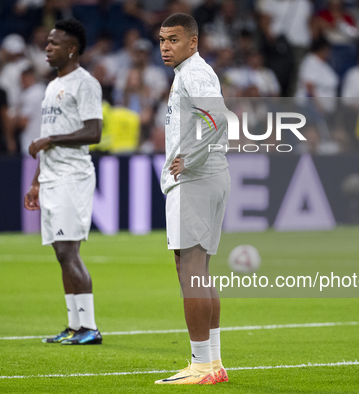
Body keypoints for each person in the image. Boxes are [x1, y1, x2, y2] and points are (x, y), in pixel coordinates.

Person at [155, 13, 230, 385]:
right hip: (208, 179)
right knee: (198, 273)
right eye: (162, 40)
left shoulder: (194, 73)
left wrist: (191, 159)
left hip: (197, 181)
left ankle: (201, 365)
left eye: (173, 39)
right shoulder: (189, 74)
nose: (166, 47)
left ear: (193, 42)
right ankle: (213, 363)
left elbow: (217, 118)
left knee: (191, 274)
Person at [24, 18, 103, 345]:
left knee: (69, 251)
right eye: (47, 42)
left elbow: (94, 132)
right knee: (61, 253)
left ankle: (90, 328)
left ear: (72, 49)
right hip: (53, 175)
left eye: (54, 43)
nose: (47, 47)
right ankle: (74, 326)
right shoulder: (51, 86)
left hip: (73, 175)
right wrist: (36, 181)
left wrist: (51, 139)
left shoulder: (85, 83)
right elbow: (48, 141)